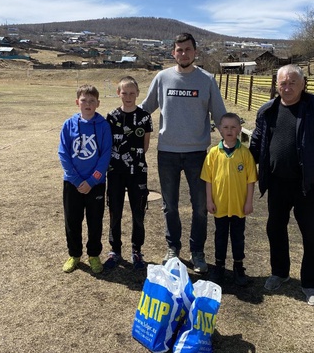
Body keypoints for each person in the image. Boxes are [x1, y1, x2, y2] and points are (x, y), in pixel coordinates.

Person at [250, 64, 314, 306]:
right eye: (283, 83)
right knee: (275, 229)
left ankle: (311, 284)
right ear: (276, 85)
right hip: (277, 182)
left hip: (307, 184)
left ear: (303, 84)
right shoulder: (267, 110)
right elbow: (257, 143)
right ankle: (279, 273)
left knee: (311, 234)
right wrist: (244, 168)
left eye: (292, 83)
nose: (287, 87)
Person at [140, 32, 226, 273]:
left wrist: (234, 142)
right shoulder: (162, 78)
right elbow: (145, 108)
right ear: (173, 53)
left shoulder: (207, 80)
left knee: (200, 206)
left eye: (188, 49)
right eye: (179, 50)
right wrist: (120, 119)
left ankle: (197, 252)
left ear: (195, 52)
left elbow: (219, 114)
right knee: (170, 205)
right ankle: (173, 249)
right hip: (167, 152)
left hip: (198, 153)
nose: (183, 54)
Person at [58, 84, 112, 274]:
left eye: (92, 101)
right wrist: (75, 179)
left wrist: (91, 181)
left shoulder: (103, 126)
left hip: (95, 184)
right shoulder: (68, 125)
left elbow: (105, 155)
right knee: (72, 220)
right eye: (84, 100)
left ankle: (94, 254)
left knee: (95, 221)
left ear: (98, 103)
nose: (87, 104)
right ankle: (74, 254)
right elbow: (63, 153)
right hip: (72, 183)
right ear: (77, 102)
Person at [201, 112, 257, 286]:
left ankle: (238, 268)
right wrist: (209, 200)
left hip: (239, 206)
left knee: (238, 237)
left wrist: (249, 202)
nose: (229, 130)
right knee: (220, 236)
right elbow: (208, 179)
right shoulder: (213, 153)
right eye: (225, 127)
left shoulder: (245, 154)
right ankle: (219, 267)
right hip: (220, 206)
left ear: (240, 129)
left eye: (233, 127)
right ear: (219, 129)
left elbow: (251, 180)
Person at [105, 76, 153, 270]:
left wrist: (132, 160)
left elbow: (145, 145)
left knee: (138, 212)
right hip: (115, 172)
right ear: (118, 93)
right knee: (114, 211)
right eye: (124, 92)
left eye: (132, 93)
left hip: (138, 172)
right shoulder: (112, 117)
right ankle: (115, 250)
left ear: (138, 94)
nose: (128, 96)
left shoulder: (144, 117)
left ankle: (137, 250)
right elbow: (108, 144)